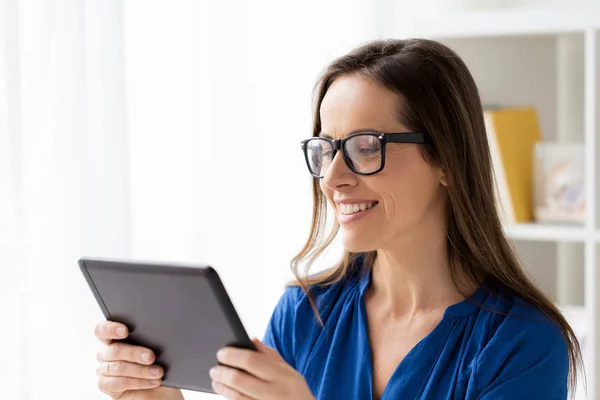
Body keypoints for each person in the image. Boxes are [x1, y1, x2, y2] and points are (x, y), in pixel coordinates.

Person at [93, 38, 583, 400]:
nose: (332, 178)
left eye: (366, 148)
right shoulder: (305, 313)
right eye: (325, 149)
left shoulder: (523, 344)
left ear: (448, 161)